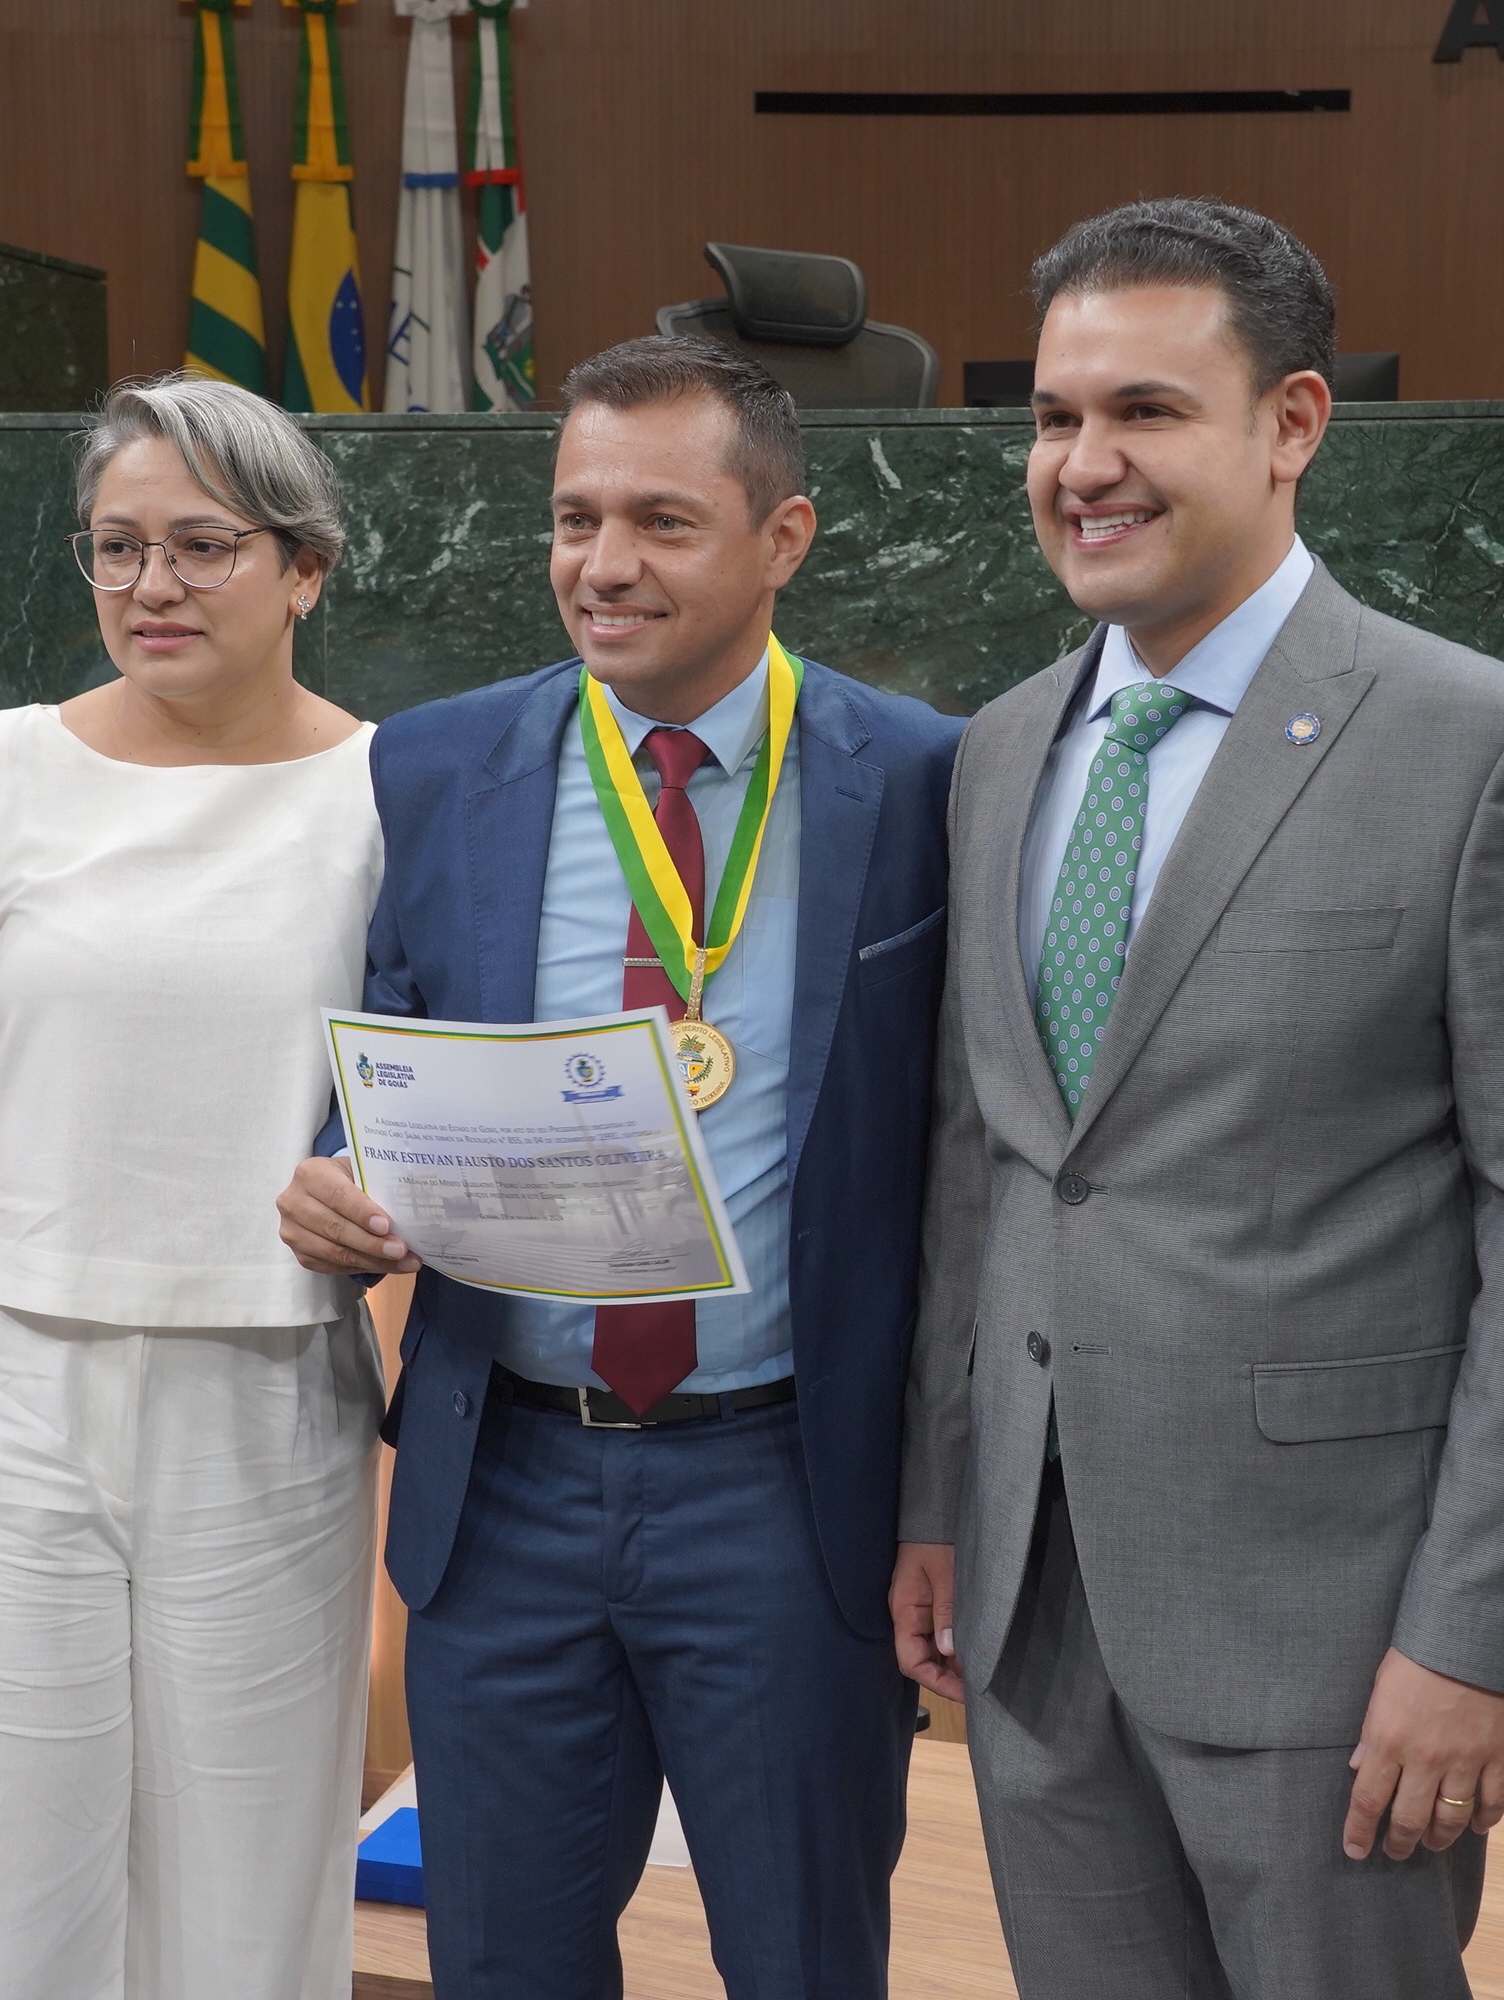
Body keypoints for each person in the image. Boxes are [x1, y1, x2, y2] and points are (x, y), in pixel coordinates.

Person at [892, 198, 1504, 2000]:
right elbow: (987, 1166)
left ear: (1293, 423)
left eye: (1145, 411)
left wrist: (1476, 1633)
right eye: (1055, 417)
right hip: (1029, 1611)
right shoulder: (998, 749)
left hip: (1337, 1641)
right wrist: (939, 1497)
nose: (1084, 464)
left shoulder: (1490, 749)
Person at [278, 334, 961, 2000]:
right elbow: (393, 1042)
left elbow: (969, 1158)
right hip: (505, 1482)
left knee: (802, 1964)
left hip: (786, 1491)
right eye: (575, 517)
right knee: (504, 1964)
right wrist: (336, 1175)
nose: (602, 563)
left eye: (662, 521)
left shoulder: (922, 780)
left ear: (783, 539)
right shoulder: (436, 765)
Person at [0, 374, 384, 2000]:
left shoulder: (389, 796)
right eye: (117, 547)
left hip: (274, 1402)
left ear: (305, 569)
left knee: (246, 1905)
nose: (152, 586)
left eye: (203, 546)